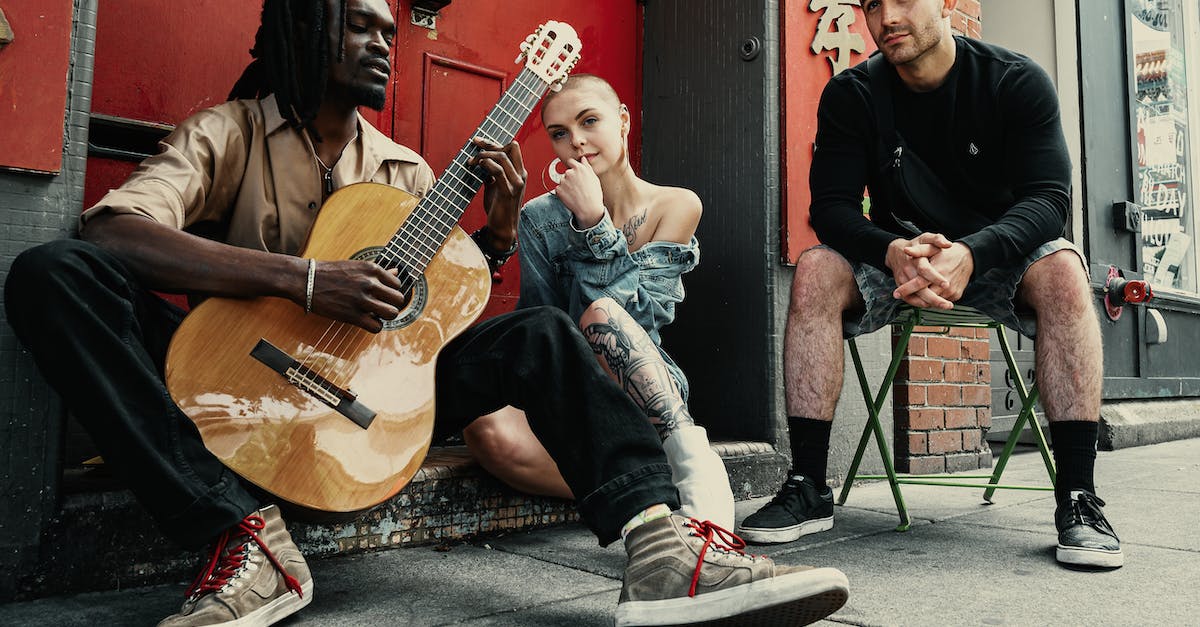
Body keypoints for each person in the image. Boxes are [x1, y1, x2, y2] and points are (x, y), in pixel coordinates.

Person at [4, 1, 850, 625]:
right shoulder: (227, 132)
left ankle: (659, 541)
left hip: (372, 389)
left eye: (386, 27)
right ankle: (242, 538)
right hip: (235, 379)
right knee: (52, 273)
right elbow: (116, 230)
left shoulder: (404, 167)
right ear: (304, 30)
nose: (383, 43)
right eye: (360, 26)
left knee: (541, 332)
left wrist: (502, 232)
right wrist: (306, 281)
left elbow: (435, 301)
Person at [736, 0, 1123, 569]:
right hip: (901, 260)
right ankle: (808, 484)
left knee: (1064, 269)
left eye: (903, 0)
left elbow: (1050, 200)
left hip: (999, 258)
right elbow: (832, 208)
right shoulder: (853, 94)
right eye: (871, 4)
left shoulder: (1015, 81)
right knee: (817, 267)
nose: (887, 16)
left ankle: (1079, 497)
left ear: (945, 4)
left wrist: (973, 251)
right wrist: (890, 252)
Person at [462, 74, 736, 529]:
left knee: (604, 315)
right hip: (570, 396)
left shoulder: (676, 205)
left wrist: (594, 224)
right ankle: (649, 487)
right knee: (487, 430)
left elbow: (640, 318)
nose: (577, 142)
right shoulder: (540, 218)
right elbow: (542, 321)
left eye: (590, 121)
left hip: (643, 394)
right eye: (559, 133)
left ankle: (696, 476)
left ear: (623, 120)